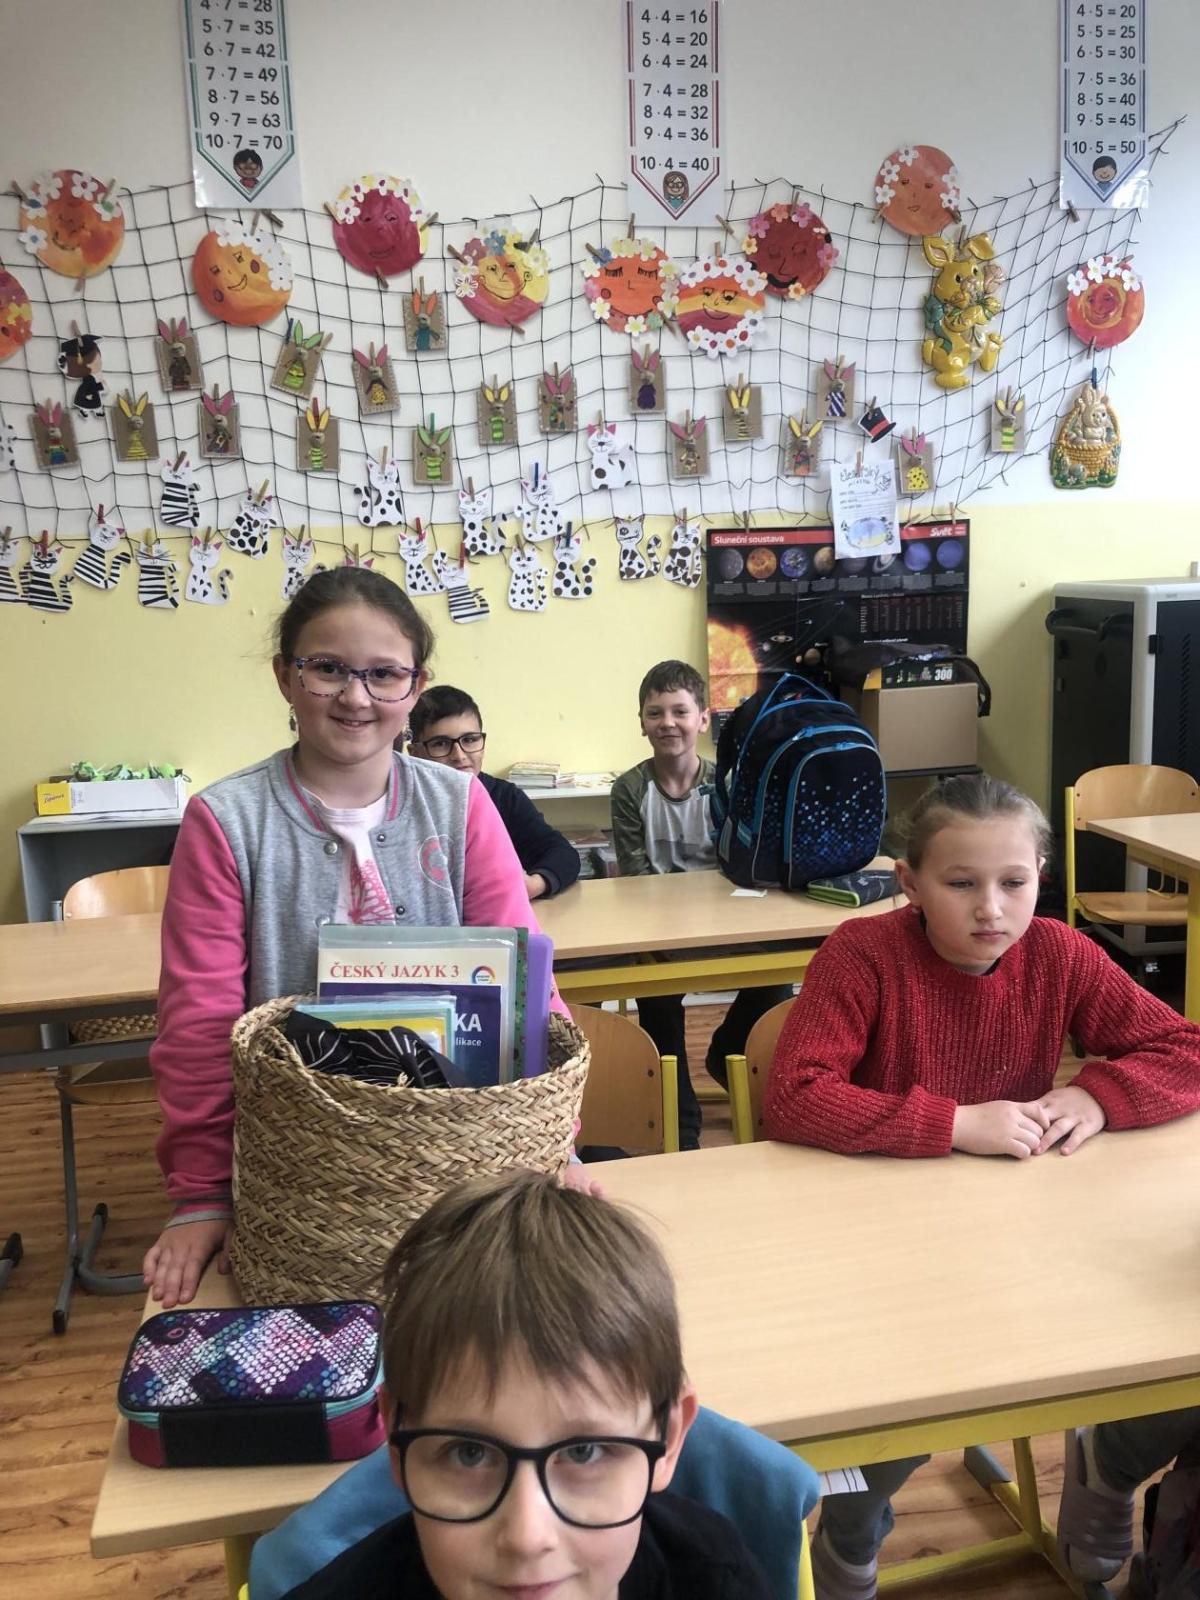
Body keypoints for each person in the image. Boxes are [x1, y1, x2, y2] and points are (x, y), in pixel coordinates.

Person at [763, 773, 1200, 1599]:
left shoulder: (1058, 953)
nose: (991, 909)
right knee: (897, 1407)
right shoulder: (863, 953)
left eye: (1014, 882)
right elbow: (794, 1096)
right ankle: (853, 1528)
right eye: (961, 884)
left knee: (1166, 1339)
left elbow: (1185, 1049)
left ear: (1041, 876)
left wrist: (1097, 1096)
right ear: (911, 883)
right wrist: (956, 1123)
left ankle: (1108, 1463)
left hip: (1015, 1233)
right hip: (875, 1241)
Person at [143, 568, 572, 1311]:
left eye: (383, 674)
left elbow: (528, 993)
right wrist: (203, 1194)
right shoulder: (226, 822)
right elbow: (199, 1025)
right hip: (299, 1169)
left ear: (415, 685)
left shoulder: (462, 803)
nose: (356, 696)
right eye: (328, 669)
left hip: (456, 1160)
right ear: (285, 676)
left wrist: (554, 1143)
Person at [273, 1169, 776, 1598]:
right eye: (469, 1452)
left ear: (667, 1440)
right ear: (397, 1442)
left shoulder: (715, 1580)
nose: (527, 1537)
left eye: (583, 1452)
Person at [610, 661, 791, 1150]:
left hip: (726, 924)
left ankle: (726, 1052)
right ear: (641, 722)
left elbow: (742, 862)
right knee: (656, 996)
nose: (667, 722)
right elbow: (635, 875)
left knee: (775, 979)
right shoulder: (629, 789)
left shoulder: (727, 782)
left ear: (703, 719)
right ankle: (680, 1120)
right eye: (655, 713)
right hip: (659, 930)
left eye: (680, 711)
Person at [406, 684, 580, 901]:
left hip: (495, 913)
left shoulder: (504, 797)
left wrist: (534, 885)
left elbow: (562, 853)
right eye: (440, 744)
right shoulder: (402, 804)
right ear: (415, 753)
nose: (459, 755)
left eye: (470, 740)